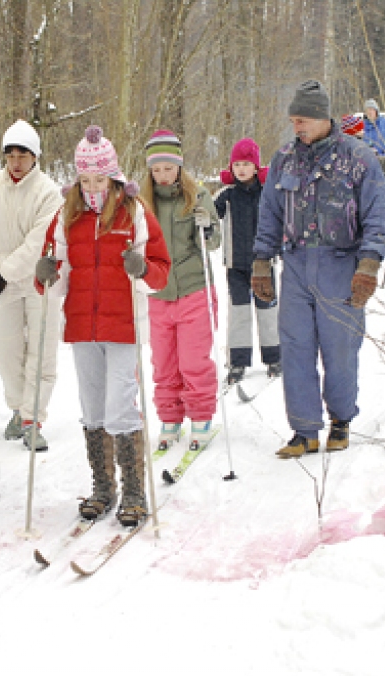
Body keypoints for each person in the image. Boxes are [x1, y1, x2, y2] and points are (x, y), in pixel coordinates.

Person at [34, 126, 170, 526]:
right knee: (92, 406)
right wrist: (46, 273)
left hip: (124, 325)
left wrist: (141, 268)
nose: (93, 187)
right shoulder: (66, 216)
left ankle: (133, 490)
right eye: (86, 180)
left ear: (113, 177)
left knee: (120, 406)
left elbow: (160, 271)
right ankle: (102, 486)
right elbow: (54, 273)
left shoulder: (134, 214)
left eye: (100, 179)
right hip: (81, 325)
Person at [253, 80, 385, 458]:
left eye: (302, 119)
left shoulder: (358, 157)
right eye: (293, 120)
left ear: (321, 117)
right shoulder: (284, 159)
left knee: (340, 349)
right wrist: (261, 262)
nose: (296, 126)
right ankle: (304, 431)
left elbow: (379, 215)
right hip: (296, 264)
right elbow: (269, 214)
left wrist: (368, 265)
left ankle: (341, 420)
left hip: (340, 264)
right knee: (295, 348)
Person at [0, 120, 64, 451]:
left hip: (38, 275)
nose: (16, 162)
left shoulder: (47, 192)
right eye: (10, 155)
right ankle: (18, 409)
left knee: (41, 349)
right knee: (6, 348)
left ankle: (33, 418)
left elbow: (39, 240)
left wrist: (5, 272)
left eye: (23, 154)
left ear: (35, 156)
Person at [139, 129, 221, 451]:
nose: (162, 176)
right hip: (159, 294)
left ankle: (201, 415)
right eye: (156, 170)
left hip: (193, 289)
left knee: (193, 360)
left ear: (179, 166)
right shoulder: (142, 204)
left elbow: (213, 243)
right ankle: (170, 416)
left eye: (168, 168)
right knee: (164, 361)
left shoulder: (198, 196)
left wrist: (208, 226)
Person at [213, 138, 279, 386]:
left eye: (246, 164)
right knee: (239, 313)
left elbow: (279, 217)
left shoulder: (268, 192)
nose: (241, 169)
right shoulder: (227, 195)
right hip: (236, 265)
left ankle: (274, 357)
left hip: (264, 264)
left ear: (256, 166)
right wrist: (205, 223)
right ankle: (238, 361)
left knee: (267, 311)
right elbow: (211, 215)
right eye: (237, 164)